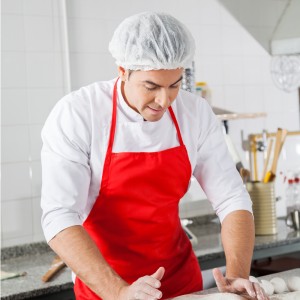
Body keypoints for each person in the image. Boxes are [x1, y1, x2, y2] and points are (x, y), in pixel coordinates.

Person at [41, 12, 267, 300]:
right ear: (123, 70)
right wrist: (120, 292)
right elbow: (59, 216)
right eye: (151, 87)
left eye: (174, 85)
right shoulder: (78, 114)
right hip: (106, 287)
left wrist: (237, 274)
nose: (164, 100)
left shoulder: (194, 113)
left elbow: (232, 198)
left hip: (180, 282)